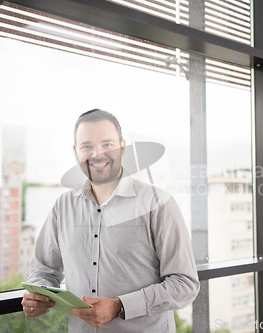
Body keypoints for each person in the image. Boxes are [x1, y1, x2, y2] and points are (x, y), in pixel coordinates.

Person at [21, 109, 200, 332]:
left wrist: (120, 306)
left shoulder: (158, 204)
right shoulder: (62, 206)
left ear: (122, 148)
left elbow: (185, 284)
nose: (97, 154)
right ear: (76, 152)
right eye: (87, 146)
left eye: (107, 144)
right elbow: (44, 271)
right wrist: (38, 294)